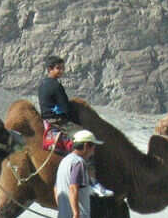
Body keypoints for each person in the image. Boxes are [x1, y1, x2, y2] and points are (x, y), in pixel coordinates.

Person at [38, 54, 113, 198]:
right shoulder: (55, 85)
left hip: (48, 120)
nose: (61, 71)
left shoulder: (43, 84)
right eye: (58, 68)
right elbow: (64, 107)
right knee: (86, 141)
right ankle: (93, 183)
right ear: (50, 69)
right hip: (58, 121)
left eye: (62, 68)